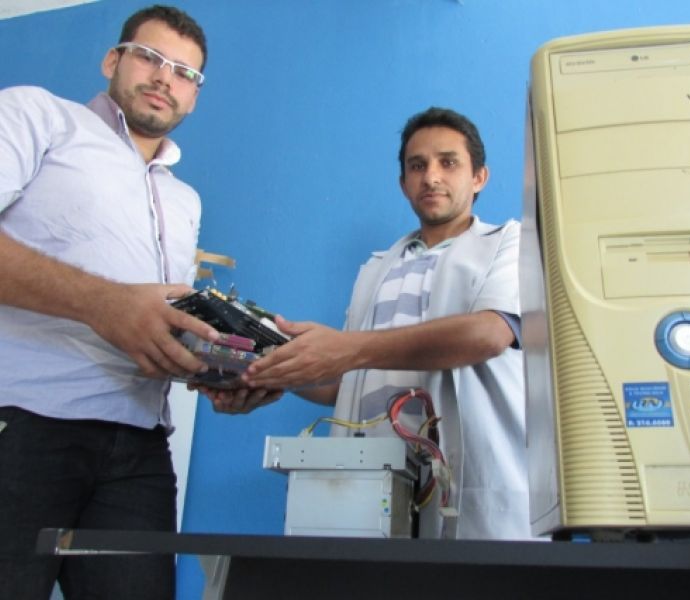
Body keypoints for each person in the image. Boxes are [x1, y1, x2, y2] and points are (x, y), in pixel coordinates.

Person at [206, 107, 530, 540]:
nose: (431, 177)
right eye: (417, 166)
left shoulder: (511, 242)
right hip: (374, 484)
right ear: (403, 183)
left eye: (448, 162)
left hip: (470, 487)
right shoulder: (376, 269)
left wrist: (346, 349)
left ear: (479, 177)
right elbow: (343, 384)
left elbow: (487, 334)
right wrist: (269, 372)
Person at [0, 6, 219, 599]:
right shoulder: (37, 116)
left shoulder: (185, 201)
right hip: (22, 422)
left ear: (194, 96)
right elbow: (118, 307)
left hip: (140, 446)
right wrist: (102, 304)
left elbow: (157, 322)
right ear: (112, 60)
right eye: (150, 57)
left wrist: (219, 370)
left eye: (184, 73)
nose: (165, 78)